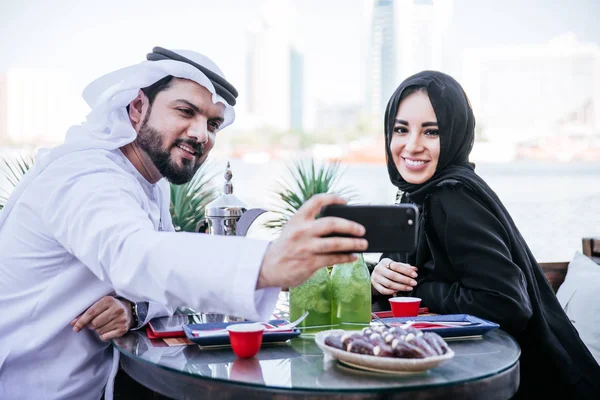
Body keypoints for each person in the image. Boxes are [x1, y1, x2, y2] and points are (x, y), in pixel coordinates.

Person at [0, 46, 368, 400]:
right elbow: (135, 254)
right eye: (185, 111)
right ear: (137, 107)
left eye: (212, 124)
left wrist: (134, 309)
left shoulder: (146, 184)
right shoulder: (85, 173)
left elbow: (160, 280)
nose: (201, 134)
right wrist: (267, 262)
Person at [370, 70, 600, 399]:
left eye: (431, 132)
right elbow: (399, 271)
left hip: (531, 383)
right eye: (401, 129)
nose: (412, 145)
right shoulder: (419, 195)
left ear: (454, 134)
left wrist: (419, 288)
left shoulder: (453, 196)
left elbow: (506, 302)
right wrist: (379, 275)